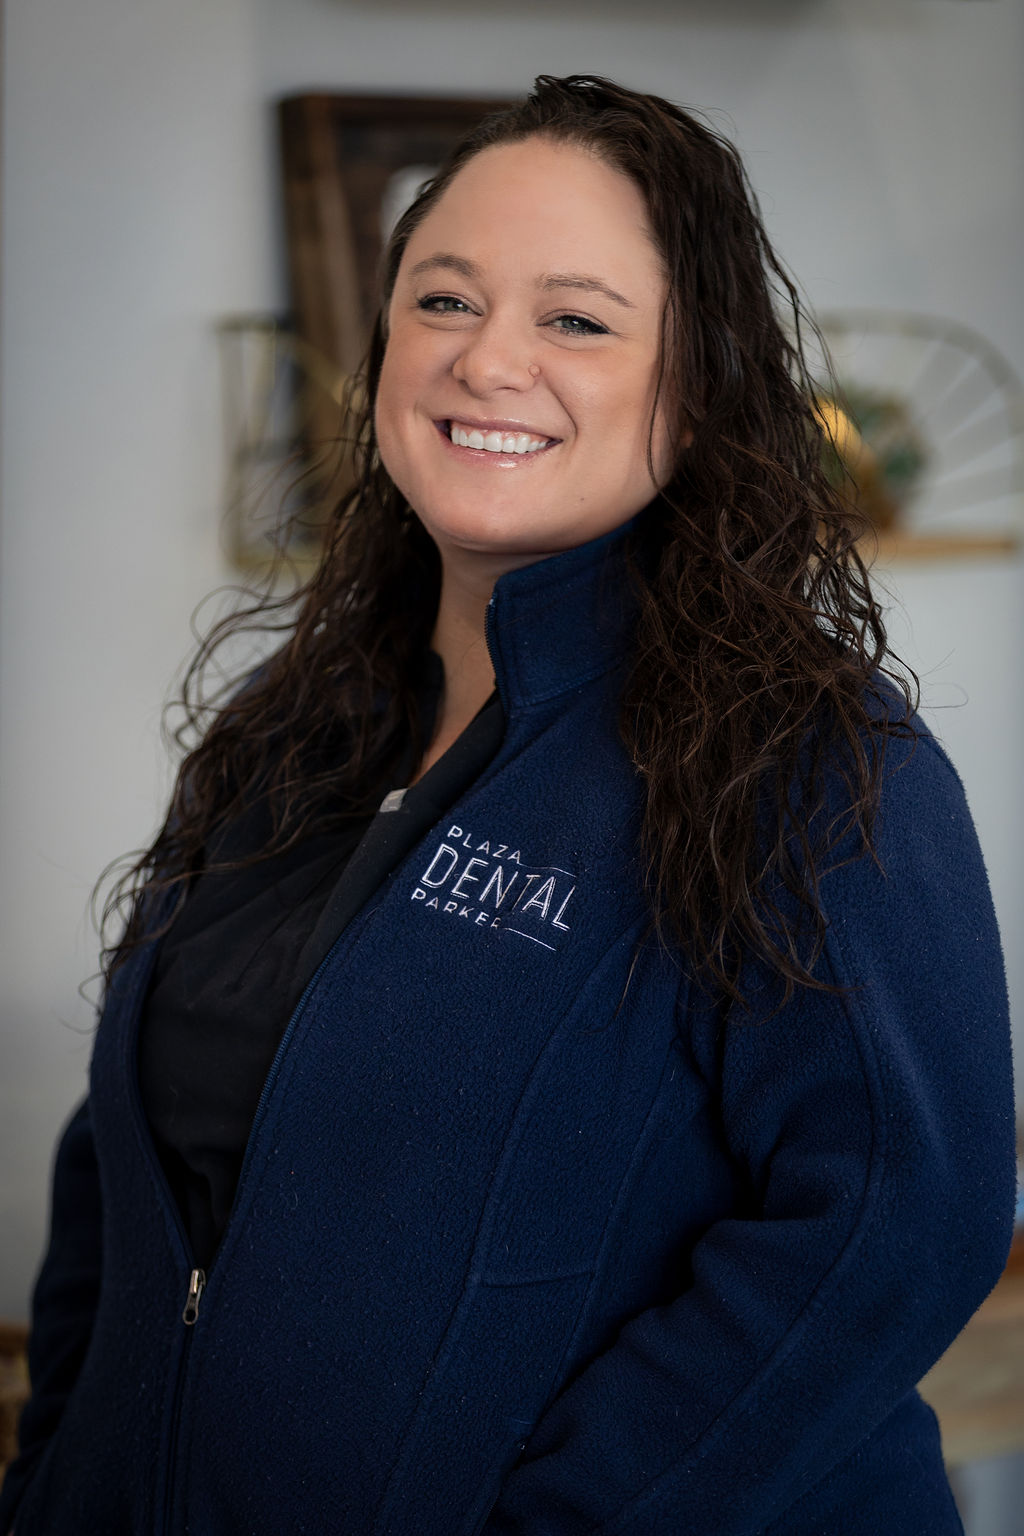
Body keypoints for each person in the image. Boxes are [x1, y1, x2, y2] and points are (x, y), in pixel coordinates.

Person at [1, 74, 1015, 1536]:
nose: (489, 363)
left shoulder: (813, 763)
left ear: (701, 380)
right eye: (444, 301)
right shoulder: (289, 733)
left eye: (577, 319)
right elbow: (128, 1170)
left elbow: (889, 1232)